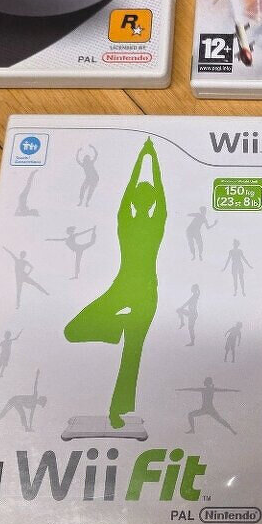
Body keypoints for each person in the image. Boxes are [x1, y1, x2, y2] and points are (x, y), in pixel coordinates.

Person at [64, 139, 166, 430]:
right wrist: (148, 160)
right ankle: (118, 327)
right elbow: (149, 193)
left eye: (144, 197)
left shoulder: (144, 221)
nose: (142, 200)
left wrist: (145, 159)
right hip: (125, 287)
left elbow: (148, 193)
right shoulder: (134, 221)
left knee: (132, 354)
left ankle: (116, 412)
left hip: (143, 292)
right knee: (74, 330)